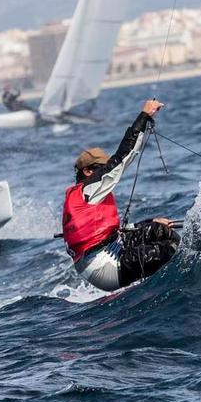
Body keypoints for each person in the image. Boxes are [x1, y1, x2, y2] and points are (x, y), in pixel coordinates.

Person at [62, 99, 180, 291]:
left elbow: (105, 231)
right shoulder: (88, 190)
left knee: (160, 231)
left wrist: (149, 222)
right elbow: (123, 156)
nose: (109, 171)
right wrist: (144, 116)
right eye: (102, 168)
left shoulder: (87, 194)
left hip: (111, 247)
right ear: (88, 172)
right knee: (170, 249)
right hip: (102, 267)